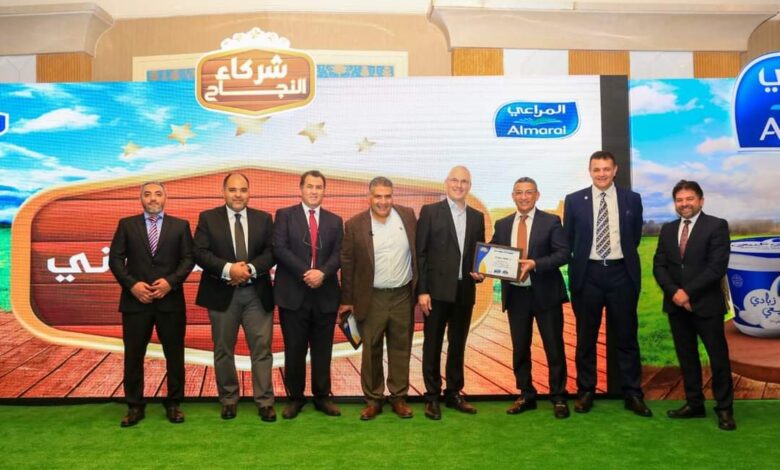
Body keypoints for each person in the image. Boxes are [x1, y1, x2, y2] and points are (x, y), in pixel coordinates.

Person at [563, 150, 651, 417]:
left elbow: (634, 237)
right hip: (587, 275)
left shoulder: (632, 199)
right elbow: (569, 239)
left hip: (621, 274)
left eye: (606, 169)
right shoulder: (574, 200)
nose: (601, 174)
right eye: (596, 169)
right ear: (590, 171)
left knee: (626, 337)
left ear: (615, 170)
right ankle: (586, 390)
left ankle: (632, 393)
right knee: (586, 338)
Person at [482, 177, 570, 418]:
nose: (523, 197)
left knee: (554, 347)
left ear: (537, 195)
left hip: (546, 294)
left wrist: (535, 264)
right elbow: (492, 253)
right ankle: (526, 394)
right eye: (519, 192)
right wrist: (480, 268)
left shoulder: (551, 221)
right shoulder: (503, 224)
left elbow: (563, 254)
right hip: (516, 296)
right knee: (520, 348)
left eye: (528, 192)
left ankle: (558, 396)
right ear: (513, 196)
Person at [109, 181, 194, 427]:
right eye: (147, 194)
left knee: (174, 354)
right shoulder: (127, 225)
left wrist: (170, 282)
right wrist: (132, 285)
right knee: (134, 356)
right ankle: (135, 406)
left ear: (166, 198)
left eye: (158, 194)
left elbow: (188, 259)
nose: (153, 198)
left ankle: (174, 403)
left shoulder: (180, 226)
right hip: (136, 302)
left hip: (170, 301)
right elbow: (115, 260)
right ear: (141, 199)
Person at [652, 180, 735, 430]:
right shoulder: (668, 229)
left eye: (689, 199)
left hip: (707, 305)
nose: (684, 204)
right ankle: (694, 404)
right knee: (687, 357)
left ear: (701, 200)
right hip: (676, 307)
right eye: (679, 200)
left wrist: (687, 293)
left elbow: (716, 267)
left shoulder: (717, 226)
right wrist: (675, 293)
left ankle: (724, 409)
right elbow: (659, 266)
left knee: (718, 359)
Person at [193, 173, 276, 422]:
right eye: (232, 190)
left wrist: (248, 269)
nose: (238, 195)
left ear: (249, 192)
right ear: (223, 192)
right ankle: (228, 399)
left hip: (256, 294)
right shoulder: (208, 218)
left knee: (262, 349)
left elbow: (272, 252)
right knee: (223, 349)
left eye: (243, 190)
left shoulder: (264, 219)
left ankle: (265, 401)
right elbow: (200, 253)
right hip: (221, 294)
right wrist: (230, 269)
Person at [339, 176, 418, 420]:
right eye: (378, 196)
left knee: (401, 347)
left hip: (403, 295)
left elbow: (419, 254)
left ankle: (398, 397)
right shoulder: (355, 224)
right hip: (371, 297)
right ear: (369, 197)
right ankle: (374, 399)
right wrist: (347, 300)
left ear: (393, 196)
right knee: (371, 349)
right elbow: (347, 264)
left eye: (388, 196)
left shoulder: (408, 216)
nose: (383, 201)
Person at [416, 166, 484, 420]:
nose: (459, 185)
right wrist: (422, 290)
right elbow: (421, 254)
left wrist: (480, 272)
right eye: (455, 180)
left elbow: (479, 255)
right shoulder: (430, 212)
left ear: (469, 186)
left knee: (458, 344)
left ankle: (454, 392)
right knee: (432, 344)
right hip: (435, 292)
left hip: (464, 291)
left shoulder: (477, 217)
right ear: (446, 183)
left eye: (464, 181)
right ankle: (432, 396)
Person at [273, 170, 343, 419]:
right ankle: (295, 398)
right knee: (294, 350)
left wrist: (322, 273)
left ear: (324, 191)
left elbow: (339, 253)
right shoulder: (284, 215)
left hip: (325, 295)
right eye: (310, 186)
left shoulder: (335, 221)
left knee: (323, 350)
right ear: (300, 189)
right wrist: (307, 273)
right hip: (293, 294)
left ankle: (322, 396)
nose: (314, 191)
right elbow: (280, 248)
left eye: (319, 187)